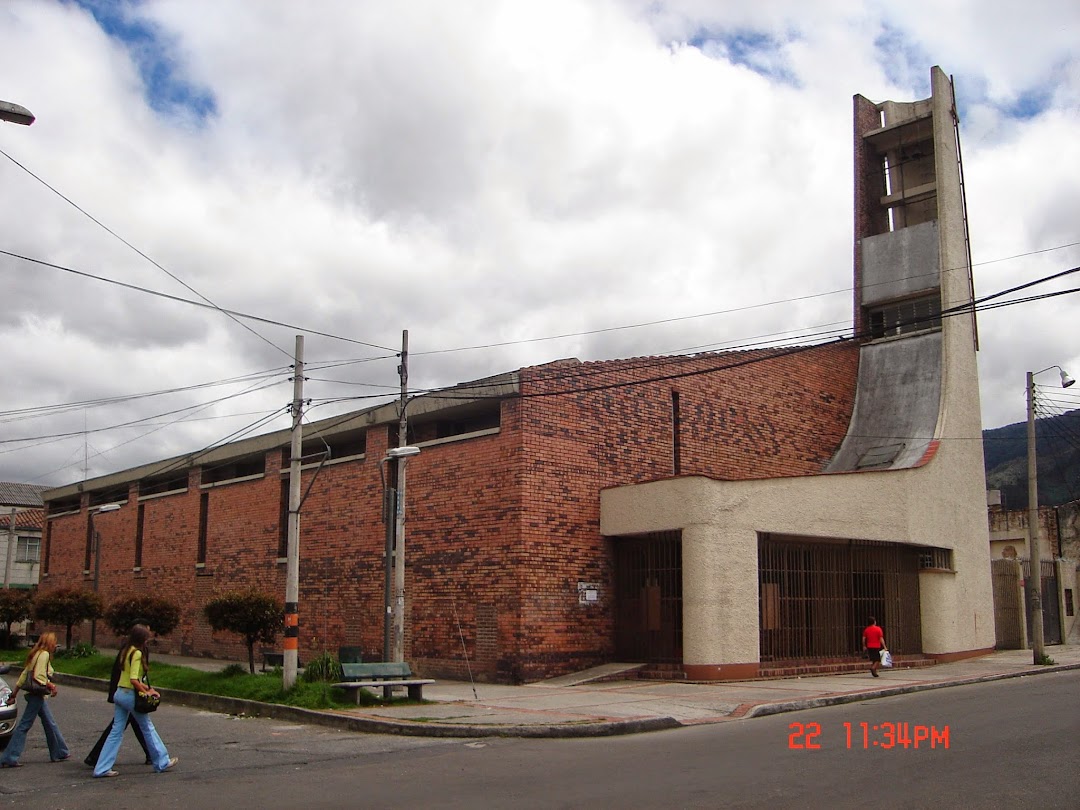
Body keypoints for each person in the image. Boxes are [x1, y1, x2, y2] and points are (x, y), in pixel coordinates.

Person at [92, 624, 178, 778]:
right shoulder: (137, 653)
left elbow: (128, 677)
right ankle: (161, 761)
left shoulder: (126, 650)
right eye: (146, 638)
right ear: (142, 639)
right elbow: (133, 679)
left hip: (119, 692)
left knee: (116, 730)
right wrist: (147, 691)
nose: (148, 641)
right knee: (147, 726)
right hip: (129, 695)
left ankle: (102, 767)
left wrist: (145, 687)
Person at [0, 632, 70, 766]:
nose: (56, 645)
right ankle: (9, 757)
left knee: (50, 722)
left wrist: (14, 694)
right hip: (37, 694)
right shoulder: (44, 655)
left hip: (35, 694)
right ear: (50, 643)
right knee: (24, 725)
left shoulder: (35, 653)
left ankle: (60, 751)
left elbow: (24, 675)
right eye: (54, 642)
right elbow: (38, 676)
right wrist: (51, 686)